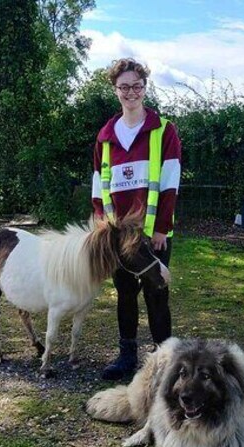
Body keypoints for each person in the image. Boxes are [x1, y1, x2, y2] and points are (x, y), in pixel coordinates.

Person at [91, 58, 182, 381]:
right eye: (124, 87)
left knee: (157, 293)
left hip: (152, 233)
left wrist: (160, 229)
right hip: (119, 237)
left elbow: (170, 181)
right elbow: (98, 187)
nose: (131, 92)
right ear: (115, 90)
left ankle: (165, 358)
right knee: (125, 293)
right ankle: (126, 355)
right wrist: (105, 229)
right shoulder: (105, 137)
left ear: (145, 88)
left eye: (137, 86)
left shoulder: (162, 131)